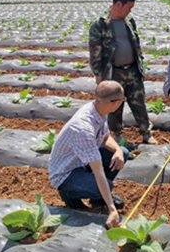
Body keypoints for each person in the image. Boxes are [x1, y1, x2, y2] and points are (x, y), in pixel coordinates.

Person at [49, 81, 130, 229]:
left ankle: (97, 198)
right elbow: (98, 171)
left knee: (123, 153)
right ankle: (69, 194)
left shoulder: (98, 110)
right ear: (116, 103)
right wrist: (112, 209)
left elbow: (105, 137)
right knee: (107, 185)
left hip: (80, 163)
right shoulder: (83, 128)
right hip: (65, 174)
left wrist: (118, 150)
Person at [89, 0, 157, 144]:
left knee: (138, 102)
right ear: (118, 4)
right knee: (114, 106)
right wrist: (99, 76)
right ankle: (117, 133)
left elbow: (135, 45)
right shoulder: (100, 25)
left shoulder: (129, 22)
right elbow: (95, 53)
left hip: (132, 70)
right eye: (129, 7)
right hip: (114, 72)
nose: (130, 11)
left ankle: (146, 132)